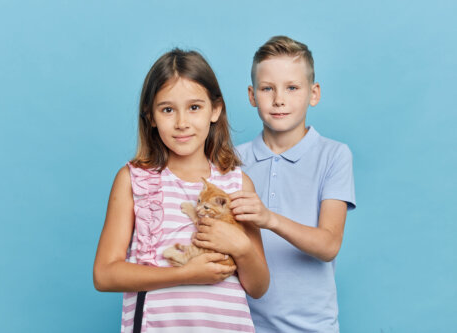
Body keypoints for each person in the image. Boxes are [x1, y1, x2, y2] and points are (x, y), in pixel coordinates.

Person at [93, 48, 269, 333]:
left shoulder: (238, 183)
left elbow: (259, 287)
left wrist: (242, 248)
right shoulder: (133, 180)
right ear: (150, 116)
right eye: (167, 110)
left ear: (216, 109)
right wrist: (184, 274)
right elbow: (104, 274)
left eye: (194, 107)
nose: (182, 123)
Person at [229, 36, 356, 332]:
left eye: (292, 88)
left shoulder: (334, 155)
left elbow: (328, 245)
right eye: (267, 88)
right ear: (251, 95)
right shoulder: (232, 160)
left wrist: (269, 218)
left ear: (314, 93)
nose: (279, 100)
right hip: (242, 324)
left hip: (313, 327)